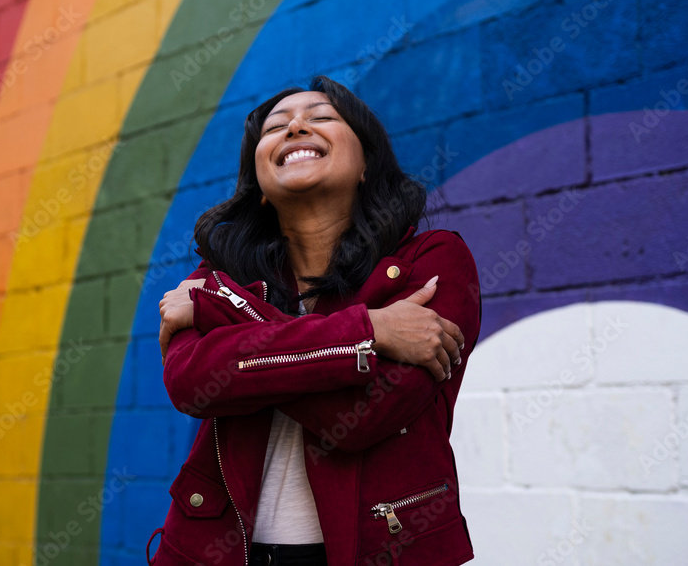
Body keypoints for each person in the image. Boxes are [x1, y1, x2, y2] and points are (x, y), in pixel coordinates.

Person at [147, 75, 481, 566]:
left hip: (382, 549)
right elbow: (193, 381)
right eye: (275, 127)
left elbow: (362, 418)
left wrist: (228, 317)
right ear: (259, 184)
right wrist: (371, 333)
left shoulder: (434, 261)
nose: (296, 127)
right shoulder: (221, 273)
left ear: (366, 163)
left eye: (321, 117)